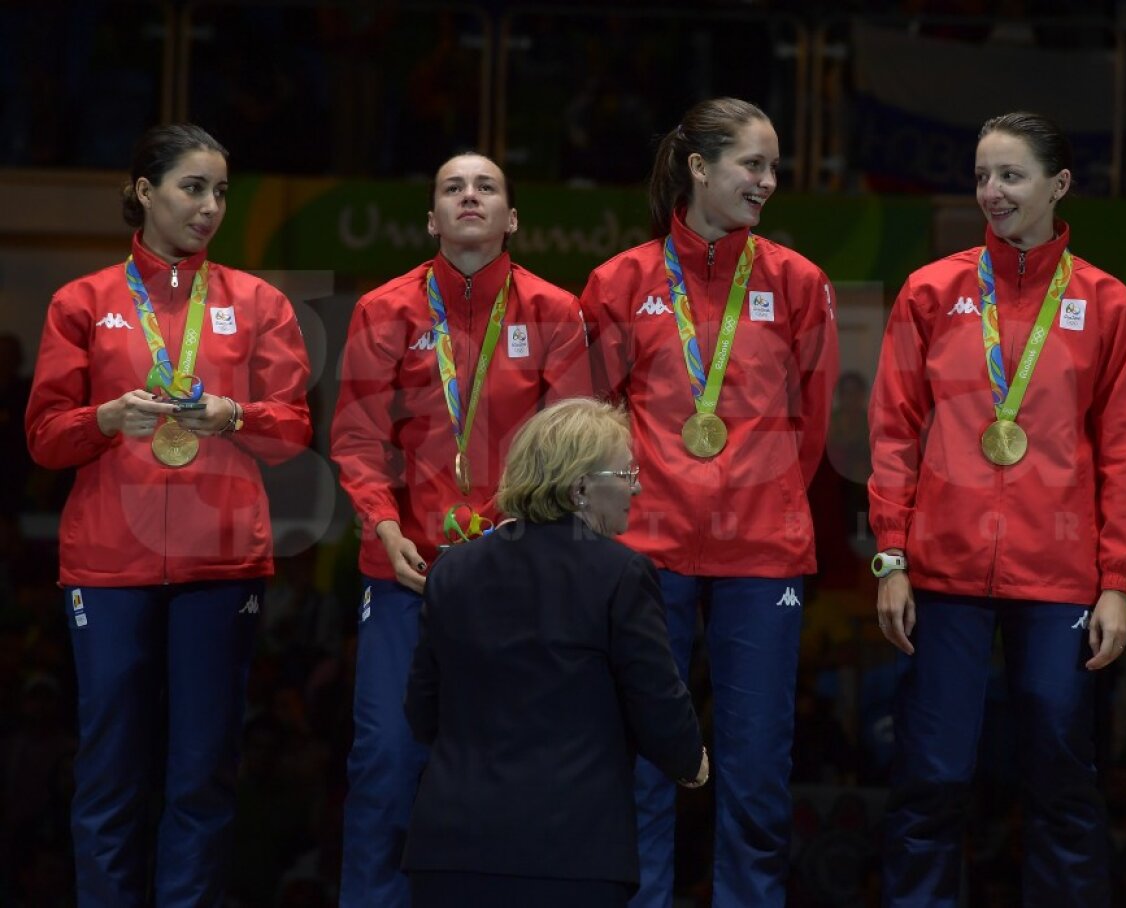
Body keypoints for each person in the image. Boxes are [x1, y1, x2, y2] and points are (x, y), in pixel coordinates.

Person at [868, 111, 1126, 906]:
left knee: (1063, 779)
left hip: (1061, 575)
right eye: (982, 176)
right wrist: (891, 559)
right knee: (930, 778)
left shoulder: (1109, 305)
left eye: (1011, 176)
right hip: (944, 570)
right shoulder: (933, 291)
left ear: (1058, 185)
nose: (991, 193)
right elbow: (892, 434)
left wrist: (1118, 581)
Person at [24, 123, 313, 906]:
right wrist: (106, 419)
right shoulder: (79, 302)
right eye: (193, 188)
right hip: (109, 564)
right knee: (111, 771)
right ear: (145, 193)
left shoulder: (259, 303)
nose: (211, 206)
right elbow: (45, 439)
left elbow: (292, 431)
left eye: (221, 191)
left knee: (202, 775)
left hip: (221, 562)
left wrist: (235, 415)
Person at [581, 97, 839, 907]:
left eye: (772, 169)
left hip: (761, 554)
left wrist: (754, 499)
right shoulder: (620, 281)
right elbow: (594, 420)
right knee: (641, 762)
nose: (766, 182)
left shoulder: (799, 283)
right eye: (751, 165)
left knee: (757, 769)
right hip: (645, 551)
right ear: (699, 168)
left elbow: (813, 423)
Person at [331, 152, 589, 907]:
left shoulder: (555, 311)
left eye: (486, 187)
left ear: (511, 218)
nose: (469, 195)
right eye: (452, 188)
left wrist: (523, 539)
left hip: (516, 577)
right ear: (432, 220)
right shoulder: (386, 310)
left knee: (515, 762)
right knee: (384, 758)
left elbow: (570, 445)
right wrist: (382, 526)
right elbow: (355, 438)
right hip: (408, 574)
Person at [403, 397, 708, 907]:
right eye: (626, 472)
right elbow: (657, 699)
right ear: (580, 487)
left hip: (449, 852)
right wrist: (689, 760)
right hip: (571, 858)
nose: (635, 486)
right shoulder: (621, 574)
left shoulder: (451, 571)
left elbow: (421, 712)